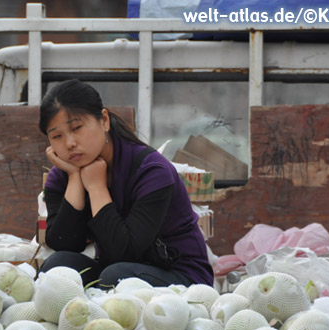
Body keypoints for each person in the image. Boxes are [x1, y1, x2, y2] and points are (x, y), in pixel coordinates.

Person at [38, 79, 214, 289]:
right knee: (57, 269)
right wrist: (75, 178)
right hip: (117, 273)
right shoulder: (63, 176)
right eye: (57, 136)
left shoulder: (152, 171)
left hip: (180, 276)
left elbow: (125, 251)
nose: (69, 143)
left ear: (104, 120)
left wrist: (96, 187)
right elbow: (63, 242)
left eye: (77, 128)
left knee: (117, 276)